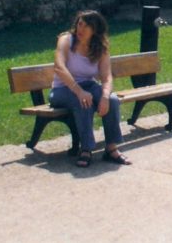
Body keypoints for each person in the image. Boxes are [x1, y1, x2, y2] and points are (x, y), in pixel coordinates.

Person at [50, 10, 131, 167]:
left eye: (87, 26)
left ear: (95, 30)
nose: (81, 29)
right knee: (84, 101)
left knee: (113, 100)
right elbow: (59, 67)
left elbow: (106, 76)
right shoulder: (66, 40)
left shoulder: (101, 47)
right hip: (62, 89)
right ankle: (86, 149)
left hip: (88, 86)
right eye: (80, 24)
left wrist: (105, 96)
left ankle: (111, 149)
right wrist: (79, 91)